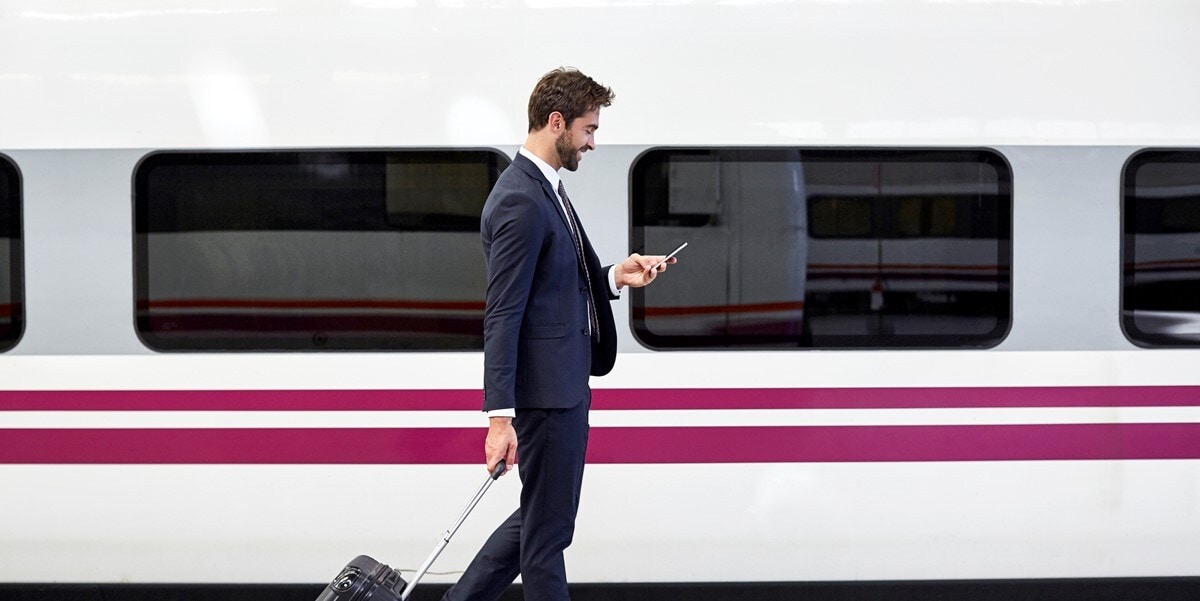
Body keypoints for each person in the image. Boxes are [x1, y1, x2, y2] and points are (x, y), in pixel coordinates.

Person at [442, 67, 674, 601]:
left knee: (545, 522)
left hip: (564, 386)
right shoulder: (522, 200)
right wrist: (499, 418)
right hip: (546, 396)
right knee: (546, 541)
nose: (593, 142)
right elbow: (503, 312)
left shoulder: (544, 189)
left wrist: (618, 276)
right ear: (556, 122)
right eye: (589, 129)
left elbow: (555, 286)